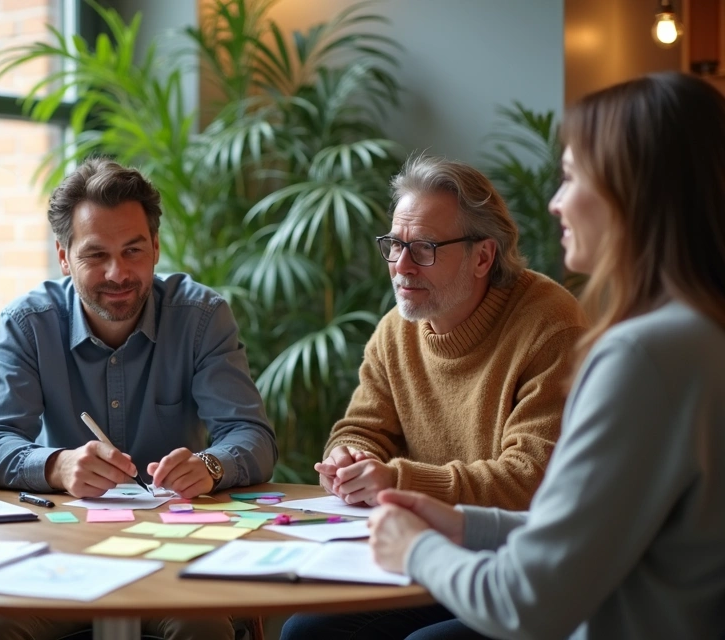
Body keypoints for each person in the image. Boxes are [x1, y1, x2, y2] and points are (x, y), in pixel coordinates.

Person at [368, 72, 725, 640]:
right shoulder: (698, 333)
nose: (556, 203)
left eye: (571, 177)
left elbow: (527, 601)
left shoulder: (642, 356)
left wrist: (416, 550)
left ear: (632, 192)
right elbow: (599, 530)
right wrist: (465, 524)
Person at [0, 158, 277, 640]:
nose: (118, 272)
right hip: (55, 556)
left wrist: (211, 466)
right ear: (64, 257)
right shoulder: (28, 323)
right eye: (95, 255)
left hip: (173, 556)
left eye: (133, 250)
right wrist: (58, 466)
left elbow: (252, 436)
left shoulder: (201, 317)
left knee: (204, 630)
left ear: (155, 248)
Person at [282, 156, 586, 640]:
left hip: (519, 570)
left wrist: (396, 478)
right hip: (423, 554)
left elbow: (530, 482)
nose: (401, 266)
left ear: (483, 257)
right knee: (306, 631)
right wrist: (349, 458)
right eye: (395, 245)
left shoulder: (550, 326)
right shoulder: (396, 330)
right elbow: (362, 427)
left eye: (423, 248)